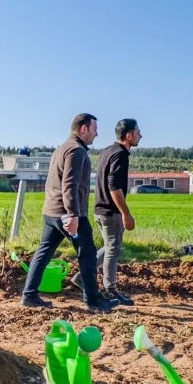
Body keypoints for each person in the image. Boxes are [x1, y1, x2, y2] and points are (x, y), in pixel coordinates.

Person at [20, 114, 119, 312]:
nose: (96, 134)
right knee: (88, 253)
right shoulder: (76, 150)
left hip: (52, 211)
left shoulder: (61, 148)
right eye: (95, 129)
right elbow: (69, 184)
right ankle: (93, 300)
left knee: (44, 252)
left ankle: (29, 295)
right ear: (84, 129)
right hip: (69, 212)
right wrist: (73, 214)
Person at [70, 118, 140, 305]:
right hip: (110, 211)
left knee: (109, 247)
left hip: (99, 209)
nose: (140, 136)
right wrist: (125, 213)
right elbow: (114, 186)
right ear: (129, 135)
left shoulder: (108, 151)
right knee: (113, 250)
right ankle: (110, 290)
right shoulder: (120, 155)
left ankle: (81, 277)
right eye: (138, 132)